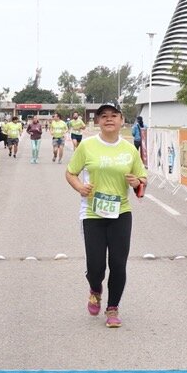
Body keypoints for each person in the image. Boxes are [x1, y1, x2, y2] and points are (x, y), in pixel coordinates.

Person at [65, 102, 147, 329]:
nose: (109, 119)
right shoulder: (87, 146)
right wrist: (80, 187)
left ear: (121, 120)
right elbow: (70, 172)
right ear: (98, 121)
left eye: (113, 115)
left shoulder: (129, 149)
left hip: (121, 212)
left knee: (118, 264)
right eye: (104, 116)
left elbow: (142, 180)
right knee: (96, 266)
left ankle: (113, 308)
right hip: (93, 212)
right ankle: (95, 288)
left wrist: (137, 182)